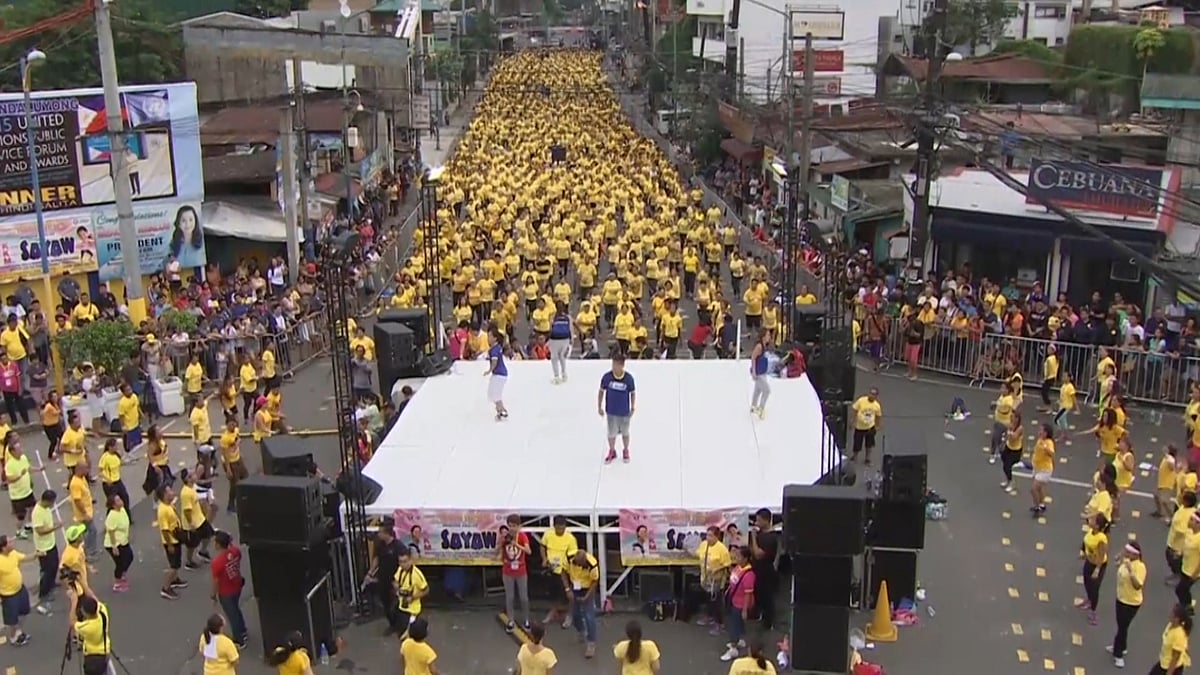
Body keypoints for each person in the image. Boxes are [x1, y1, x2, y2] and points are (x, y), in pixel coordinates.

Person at [1109, 540, 1146, 668]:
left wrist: (1131, 571)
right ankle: (1121, 646)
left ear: (1136, 555)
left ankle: (1118, 654)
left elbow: (1137, 585)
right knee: (1121, 625)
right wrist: (1119, 557)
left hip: (1131, 602)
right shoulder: (1126, 562)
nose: (1127, 554)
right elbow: (1115, 564)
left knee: (1122, 627)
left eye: (1129, 552)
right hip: (1121, 598)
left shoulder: (1140, 567)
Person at [210, 531, 247, 648]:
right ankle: (243, 630)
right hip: (237, 586)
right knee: (236, 609)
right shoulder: (235, 552)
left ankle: (239, 640)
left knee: (232, 614)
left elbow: (216, 581)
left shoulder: (217, 563)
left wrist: (213, 594)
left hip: (226, 592)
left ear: (219, 544)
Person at [540, 516, 578, 629]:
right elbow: (542, 546)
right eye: (558, 528)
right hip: (552, 570)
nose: (560, 531)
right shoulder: (548, 534)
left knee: (569, 595)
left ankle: (569, 615)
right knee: (554, 594)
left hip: (565, 571)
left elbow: (572, 556)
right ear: (554, 527)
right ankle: (553, 612)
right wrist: (544, 559)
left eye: (562, 528)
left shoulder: (570, 538)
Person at [720, 545, 756, 662]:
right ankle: (740, 640)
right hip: (733, 600)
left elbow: (748, 594)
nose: (736, 557)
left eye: (739, 556)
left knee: (734, 625)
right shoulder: (738, 567)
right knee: (738, 623)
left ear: (746, 558)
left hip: (740, 604)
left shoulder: (749, 575)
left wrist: (745, 610)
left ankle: (733, 648)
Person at [599, 354, 636, 465]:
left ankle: (625, 450)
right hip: (611, 411)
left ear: (622, 365)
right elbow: (601, 391)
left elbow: (632, 393)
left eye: (616, 364)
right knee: (611, 433)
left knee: (625, 432)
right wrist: (599, 406)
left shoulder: (628, 378)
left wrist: (633, 407)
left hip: (624, 412)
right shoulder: (607, 377)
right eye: (613, 364)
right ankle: (612, 450)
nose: (614, 366)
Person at [369, 519, 404, 634]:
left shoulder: (398, 546)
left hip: (394, 579)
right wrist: (371, 572)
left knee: (396, 602)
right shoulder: (380, 546)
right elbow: (377, 559)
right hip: (383, 578)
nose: (379, 535)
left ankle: (399, 623)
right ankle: (392, 623)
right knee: (385, 602)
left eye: (380, 532)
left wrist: (399, 579)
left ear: (386, 533)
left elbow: (403, 561)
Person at [5, 436, 43, 538]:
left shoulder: (23, 458)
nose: (21, 451)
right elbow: (9, 480)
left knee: (32, 507)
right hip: (18, 495)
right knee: (21, 516)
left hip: (27, 491)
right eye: (18, 450)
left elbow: (28, 468)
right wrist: (19, 475)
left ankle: (29, 525)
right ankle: (18, 531)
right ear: (12, 452)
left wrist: (38, 469)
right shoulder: (9, 465)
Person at [500, 513, 531, 633]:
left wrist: (516, 544)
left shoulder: (522, 536)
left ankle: (526, 619)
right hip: (507, 571)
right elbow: (498, 551)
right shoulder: (505, 536)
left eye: (515, 526)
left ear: (519, 526)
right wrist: (503, 542)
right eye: (510, 525)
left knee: (524, 597)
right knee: (510, 597)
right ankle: (511, 620)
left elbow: (528, 551)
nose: (512, 528)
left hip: (521, 571)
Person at [0, 534, 34, 645]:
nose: (12, 542)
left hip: (20, 589)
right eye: (9, 542)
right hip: (9, 595)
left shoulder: (13, 553)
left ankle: (18, 631)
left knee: (24, 611)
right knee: (12, 619)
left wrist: (37, 554)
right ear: (4, 547)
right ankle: (13, 637)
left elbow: (24, 557)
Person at [748, 508, 779, 631]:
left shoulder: (771, 538)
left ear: (766, 521)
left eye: (759, 520)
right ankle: (759, 615)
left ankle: (768, 622)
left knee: (767, 597)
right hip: (756, 569)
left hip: (766, 571)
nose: (756, 523)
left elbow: (758, 554)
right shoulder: (761, 533)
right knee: (758, 595)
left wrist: (754, 537)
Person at [1077, 512, 1110, 626]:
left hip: (1097, 565)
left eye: (1093, 520)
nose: (1090, 521)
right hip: (1089, 561)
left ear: (1097, 525)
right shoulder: (1090, 532)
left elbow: (1101, 555)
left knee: (1094, 588)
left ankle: (1093, 611)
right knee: (1086, 582)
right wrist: (1082, 551)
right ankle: (1088, 600)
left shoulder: (1101, 538)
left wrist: (1097, 569)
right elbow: (1085, 541)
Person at [30, 489, 60, 613]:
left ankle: (51, 584)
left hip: (51, 543)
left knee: (54, 566)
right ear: (47, 501)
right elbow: (40, 531)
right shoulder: (37, 513)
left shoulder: (46, 509)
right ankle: (43, 592)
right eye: (52, 502)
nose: (53, 504)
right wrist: (54, 527)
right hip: (43, 546)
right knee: (47, 570)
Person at [567, 549, 600, 658]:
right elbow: (562, 571)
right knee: (575, 615)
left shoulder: (592, 564)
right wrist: (568, 589)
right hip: (575, 587)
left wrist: (586, 597)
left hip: (587, 588)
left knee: (589, 616)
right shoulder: (569, 559)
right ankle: (581, 631)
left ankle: (591, 643)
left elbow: (595, 581)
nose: (581, 566)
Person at [156, 484, 187, 600]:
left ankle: (175, 580)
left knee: (176, 563)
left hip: (176, 538)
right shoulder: (163, 510)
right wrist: (169, 545)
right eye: (169, 491)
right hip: (171, 541)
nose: (172, 492)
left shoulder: (168, 505)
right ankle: (166, 588)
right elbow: (164, 530)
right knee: (174, 565)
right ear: (164, 495)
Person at [179, 468, 214, 569]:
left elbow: (200, 482)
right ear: (188, 478)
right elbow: (187, 511)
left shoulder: (192, 486)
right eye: (193, 474)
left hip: (200, 519)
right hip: (192, 524)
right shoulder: (186, 493)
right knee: (192, 545)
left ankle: (202, 551)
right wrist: (191, 524)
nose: (195, 475)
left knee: (208, 534)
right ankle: (189, 561)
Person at [394, 548, 429, 636]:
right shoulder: (400, 570)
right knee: (401, 635)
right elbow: (395, 580)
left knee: (409, 636)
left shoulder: (417, 574)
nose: (403, 564)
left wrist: (412, 597)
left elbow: (426, 590)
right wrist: (396, 587)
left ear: (410, 560)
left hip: (413, 610)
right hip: (402, 608)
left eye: (405, 561)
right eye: (400, 562)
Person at [68, 460, 99, 559]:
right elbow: (77, 500)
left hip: (88, 511)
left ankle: (91, 550)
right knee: (91, 531)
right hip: (84, 514)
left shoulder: (82, 479)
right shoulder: (75, 483)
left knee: (90, 531)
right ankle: (88, 552)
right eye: (86, 468)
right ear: (79, 469)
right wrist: (85, 513)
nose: (88, 470)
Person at [1150, 603, 1192, 675]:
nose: (1170, 613)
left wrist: (1169, 673)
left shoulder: (1178, 635)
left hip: (1171, 668)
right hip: (1163, 662)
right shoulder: (1170, 625)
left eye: (1172, 613)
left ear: (1177, 619)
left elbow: (1175, 658)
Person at [73, 594, 111, 675]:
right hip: (104, 649)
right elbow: (98, 603)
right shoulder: (103, 611)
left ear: (87, 614)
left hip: (92, 655)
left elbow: (73, 623)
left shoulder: (87, 627)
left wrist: (74, 602)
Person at [98, 439, 132, 525]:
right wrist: (108, 479)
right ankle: (109, 522)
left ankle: (128, 518)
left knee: (125, 497)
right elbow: (100, 471)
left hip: (118, 480)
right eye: (115, 446)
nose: (116, 448)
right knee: (112, 504)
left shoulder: (116, 455)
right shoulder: (105, 457)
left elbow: (120, 463)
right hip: (110, 484)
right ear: (109, 447)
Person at [103, 492, 132, 592]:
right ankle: (117, 582)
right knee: (119, 563)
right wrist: (114, 546)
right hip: (114, 543)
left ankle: (122, 574)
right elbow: (110, 531)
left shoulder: (122, 510)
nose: (121, 501)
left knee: (129, 557)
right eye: (118, 500)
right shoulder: (112, 516)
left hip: (123, 540)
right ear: (114, 505)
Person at [850, 388, 882, 465]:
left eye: (874, 394)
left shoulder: (876, 406)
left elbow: (878, 416)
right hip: (859, 427)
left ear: (876, 396)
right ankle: (855, 456)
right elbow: (855, 409)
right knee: (857, 443)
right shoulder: (861, 400)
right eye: (871, 393)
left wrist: (877, 425)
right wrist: (852, 421)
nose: (871, 395)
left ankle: (867, 459)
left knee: (869, 445)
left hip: (870, 428)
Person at [1029, 423, 1055, 515]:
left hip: (1045, 470)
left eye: (1041, 431)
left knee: (1034, 489)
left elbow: (1052, 453)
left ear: (1046, 433)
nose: (1039, 432)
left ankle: (1037, 507)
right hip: (1038, 468)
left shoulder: (1048, 442)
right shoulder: (1040, 440)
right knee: (1039, 488)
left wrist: (1045, 448)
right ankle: (1042, 504)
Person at [485, 328, 510, 421]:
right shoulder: (496, 347)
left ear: (495, 338)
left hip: (499, 374)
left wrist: (489, 370)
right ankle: (500, 410)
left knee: (495, 394)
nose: (488, 338)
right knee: (492, 393)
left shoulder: (495, 350)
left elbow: (494, 362)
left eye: (490, 336)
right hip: (498, 374)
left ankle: (502, 411)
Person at [1000, 411, 1024, 496]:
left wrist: (1009, 432)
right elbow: (1007, 436)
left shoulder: (1020, 428)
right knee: (1003, 460)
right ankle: (1007, 480)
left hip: (1016, 450)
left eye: (1013, 417)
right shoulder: (1010, 425)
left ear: (1017, 419)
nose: (1011, 418)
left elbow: (1014, 437)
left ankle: (1011, 482)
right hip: (1008, 447)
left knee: (1008, 465)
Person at [748, 331, 771, 420]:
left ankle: (753, 406)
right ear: (763, 336)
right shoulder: (759, 346)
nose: (769, 336)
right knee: (767, 390)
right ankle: (761, 408)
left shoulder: (764, 346)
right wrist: (754, 372)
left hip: (762, 371)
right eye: (768, 335)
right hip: (758, 372)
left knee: (757, 389)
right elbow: (753, 358)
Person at [548, 306, 572, 384]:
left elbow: (550, 328)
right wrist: (571, 339)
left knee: (554, 357)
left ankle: (557, 376)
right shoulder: (568, 317)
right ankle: (564, 374)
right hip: (565, 338)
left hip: (555, 338)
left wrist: (549, 338)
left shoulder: (553, 317)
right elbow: (570, 328)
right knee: (562, 356)